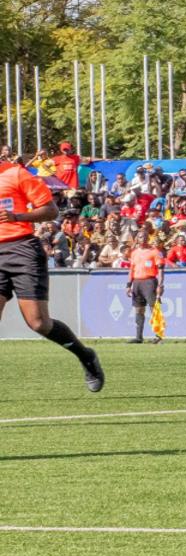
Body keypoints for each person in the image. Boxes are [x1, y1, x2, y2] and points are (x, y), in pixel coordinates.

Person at [0, 158, 104, 390]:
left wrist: (18, 217)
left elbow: (51, 210)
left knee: (38, 323)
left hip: (21, 249)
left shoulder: (16, 174)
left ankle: (85, 355)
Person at [127, 230, 165, 344]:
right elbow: (131, 269)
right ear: (136, 239)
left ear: (148, 238)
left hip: (149, 282)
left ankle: (159, 336)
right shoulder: (134, 253)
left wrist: (160, 284)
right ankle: (139, 337)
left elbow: (161, 270)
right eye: (140, 237)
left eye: (144, 236)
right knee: (139, 309)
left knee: (154, 308)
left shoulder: (155, 252)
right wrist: (129, 284)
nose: (142, 238)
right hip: (137, 282)